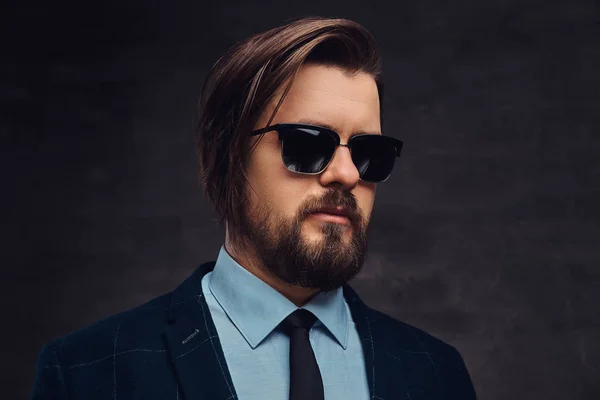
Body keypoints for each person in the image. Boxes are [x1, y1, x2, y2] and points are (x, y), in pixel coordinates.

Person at [31, 16, 476, 400]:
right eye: (306, 144)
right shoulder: (86, 372)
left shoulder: (436, 374)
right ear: (226, 158)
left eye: (369, 153)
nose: (346, 173)